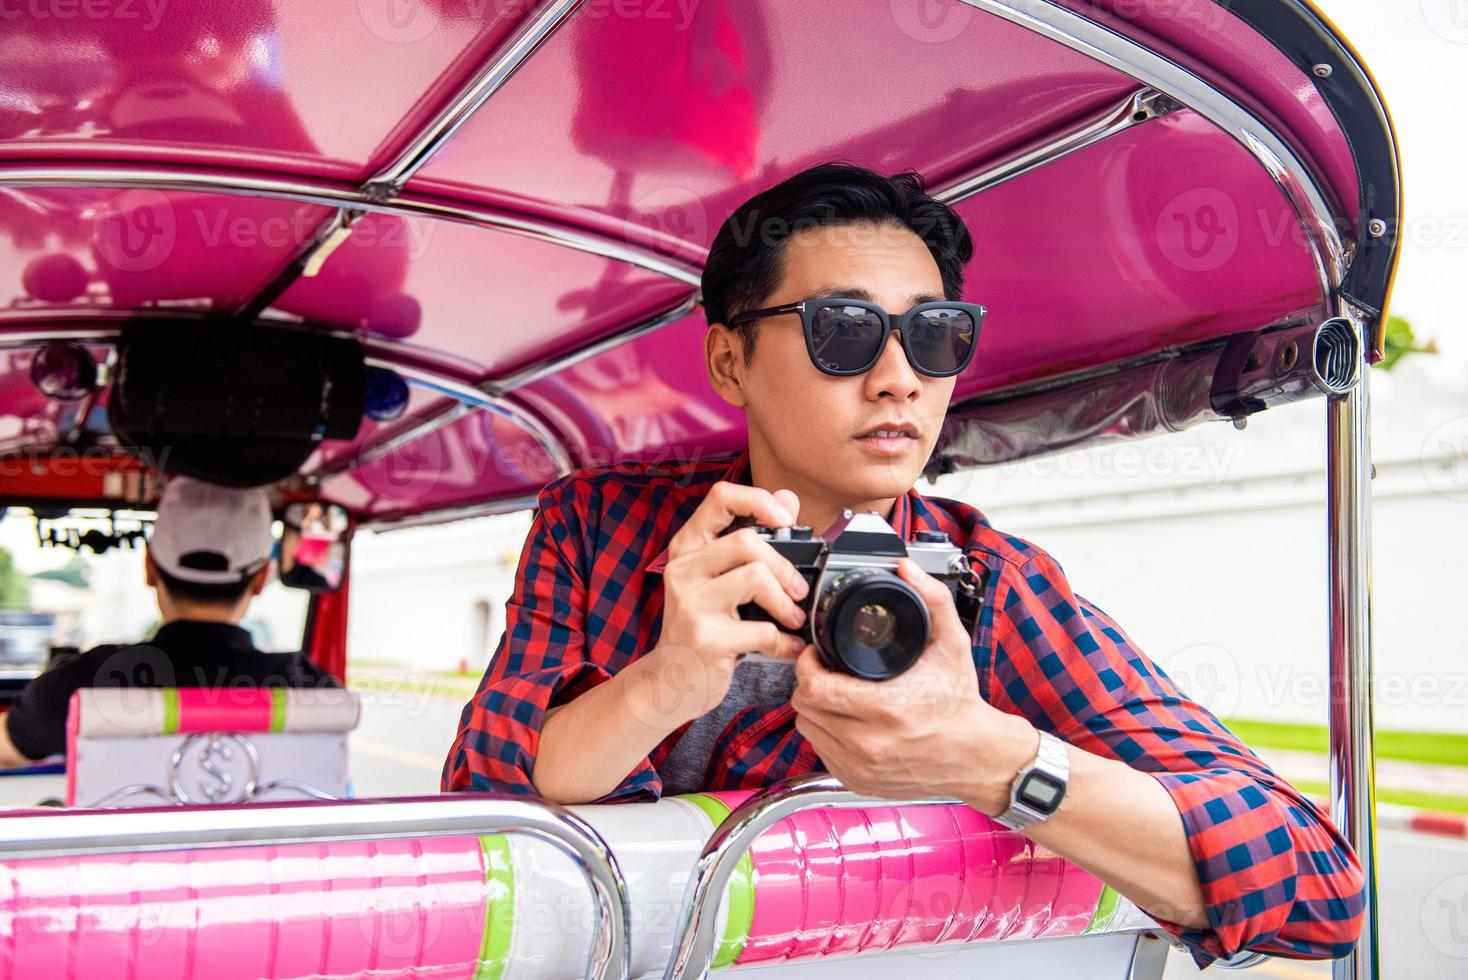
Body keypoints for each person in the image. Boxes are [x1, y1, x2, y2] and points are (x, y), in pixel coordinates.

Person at [442, 163, 1364, 967]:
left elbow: (1314, 882)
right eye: (843, 331)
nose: (899, 379)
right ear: (730, 359)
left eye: (935, 336)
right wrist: (662, 684)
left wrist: (989, 757)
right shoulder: (601, 525)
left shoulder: (989, 584)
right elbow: (479, 810)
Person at [0, 477, 339, 766]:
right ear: (261, 577)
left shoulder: (84, 683)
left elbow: (8, 749)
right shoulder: (310, 687)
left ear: (149, 568)